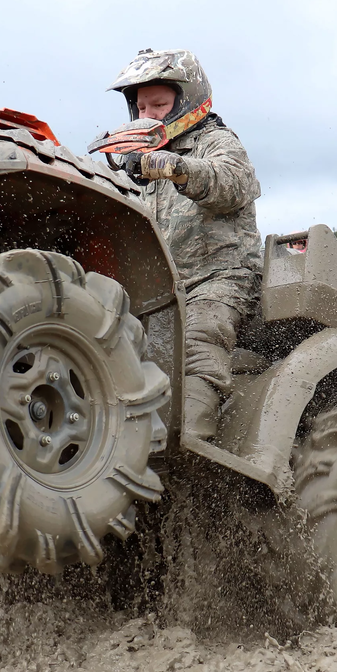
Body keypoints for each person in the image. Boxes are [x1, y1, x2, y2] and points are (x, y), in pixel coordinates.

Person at [108, 48, 262, 440]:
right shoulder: (129, 161)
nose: (148, 114)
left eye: (158, 104)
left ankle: (190, 444)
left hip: (220, 278)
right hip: (157, 289)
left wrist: (171, 166)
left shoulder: (216, 141)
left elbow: (232, 183)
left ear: (187, 100)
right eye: (141, 105)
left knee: (199, 342)